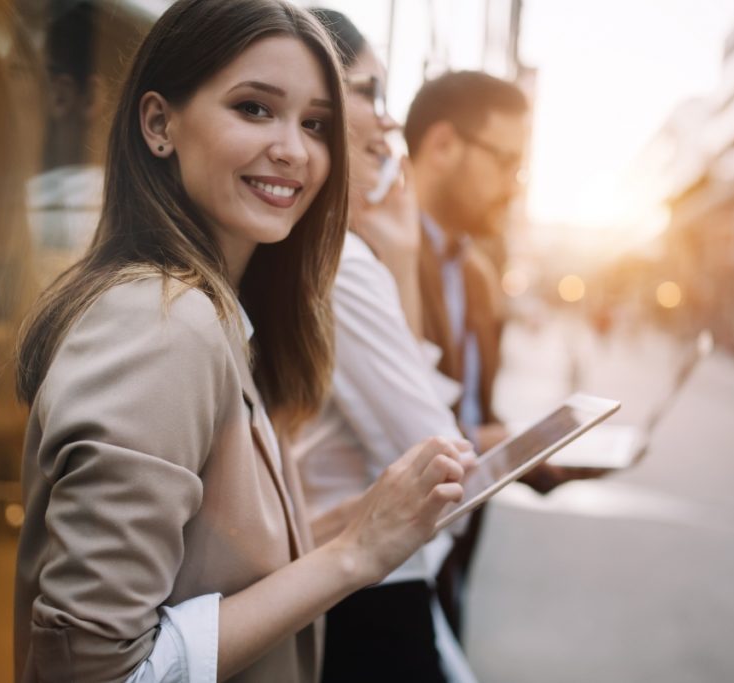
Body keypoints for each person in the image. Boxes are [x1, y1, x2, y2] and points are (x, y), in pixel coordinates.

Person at [12, 2, 466, 681]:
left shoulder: (219, 316)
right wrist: (353, 554)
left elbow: (195, 566)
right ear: (160, 123)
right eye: (255, 108)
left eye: (315, 123)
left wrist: (343, 526)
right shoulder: (161, 325)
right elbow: (94, 671)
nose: (294, 148)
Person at [293, 9, 476, 682]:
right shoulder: (337, 260)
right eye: (368, 92)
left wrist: (397, 256)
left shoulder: (341, 254)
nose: (389, 120)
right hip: (364, 595)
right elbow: (441, 462)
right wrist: (394, 259)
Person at [406, 71, 590, 637]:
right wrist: (500, 441)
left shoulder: (479, 275)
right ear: (442, 145)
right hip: (390, 562)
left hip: (458, 542)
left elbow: (475, 414)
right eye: (505, 162)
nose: (514, 185)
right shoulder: (373, 262)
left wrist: (524, 455)